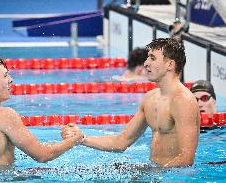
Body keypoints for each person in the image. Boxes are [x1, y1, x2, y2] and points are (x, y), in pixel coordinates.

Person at [63, 38, 200, 167]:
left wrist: (152, 175)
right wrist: (82, 138)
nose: (146, 63)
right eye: (148, 57)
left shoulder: (183, 101)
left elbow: (186, 159)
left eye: (152, 58)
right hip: (157, 172)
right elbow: (121, 141)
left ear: (170, 64)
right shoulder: (150, 99)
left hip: (173, 178)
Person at [0, 54, 84, 170]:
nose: (11, 80)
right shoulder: (4, 114)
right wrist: (74, 140)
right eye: (5, 76)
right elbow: (42, 155)